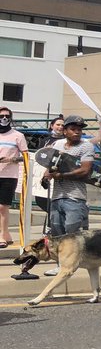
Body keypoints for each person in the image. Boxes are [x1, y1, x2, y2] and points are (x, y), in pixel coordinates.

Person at [45, 116, 94, 240]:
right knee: (57, 234)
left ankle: (75, 259)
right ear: (65, 131)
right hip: (57, 196)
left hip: (75, 198)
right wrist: (46, 175)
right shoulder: (58, 144)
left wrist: (61, 175)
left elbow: (85, 170)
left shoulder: (86, 146)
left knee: (72, 235)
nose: (77, 132)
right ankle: (61, 260)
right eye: (73, 129)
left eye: (79, 129)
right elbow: (51, 164)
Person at [0, 106, 29, 248]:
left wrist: (11, 159)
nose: (4, 118)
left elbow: (26, 156)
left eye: (7, 116)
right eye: (1, 116)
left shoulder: (18, 135)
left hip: (8, 175)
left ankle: (2, 235)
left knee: (2, 206)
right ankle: (7, 235)